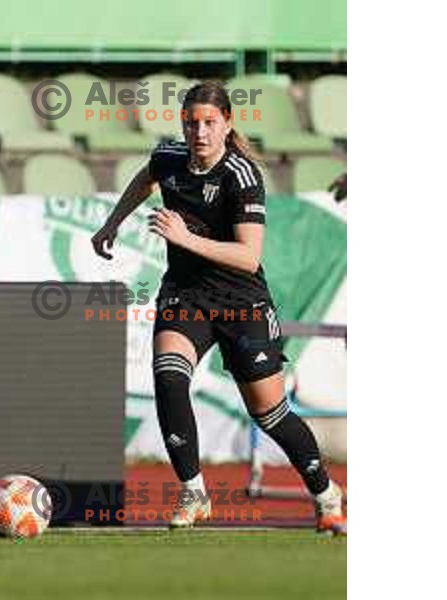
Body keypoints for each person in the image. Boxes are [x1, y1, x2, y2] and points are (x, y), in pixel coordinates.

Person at [92, 81, 346, 535]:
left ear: (228, 124)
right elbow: (147, 175)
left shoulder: (241, 174)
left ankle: (326, 494)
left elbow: (249, 257)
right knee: (169, 377)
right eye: (192, 123)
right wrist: (114, 221)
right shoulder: (170, 157)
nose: (200, 132)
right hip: (186, 294)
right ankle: (193, 491)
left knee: (270, 414)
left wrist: (185, 238)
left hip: (241, 302)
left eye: (210, 122)